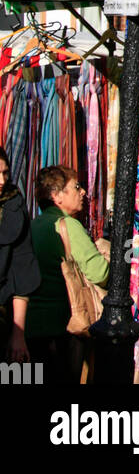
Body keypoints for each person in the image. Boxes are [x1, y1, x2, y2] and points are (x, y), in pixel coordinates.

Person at [26, 164, 110, 384]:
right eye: (76, 187)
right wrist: (108, 255)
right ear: (56, 196)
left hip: (30, 331)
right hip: (63, 329)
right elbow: (99, 273)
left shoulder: (32, 226)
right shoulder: (68, 225)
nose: (83, 192)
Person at [0, 146, 40, 364]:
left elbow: (22, 269)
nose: (2, 180)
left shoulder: (13, 204)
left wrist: (18, 334)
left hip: (3, 320)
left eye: (5, 173)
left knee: (17, 376)